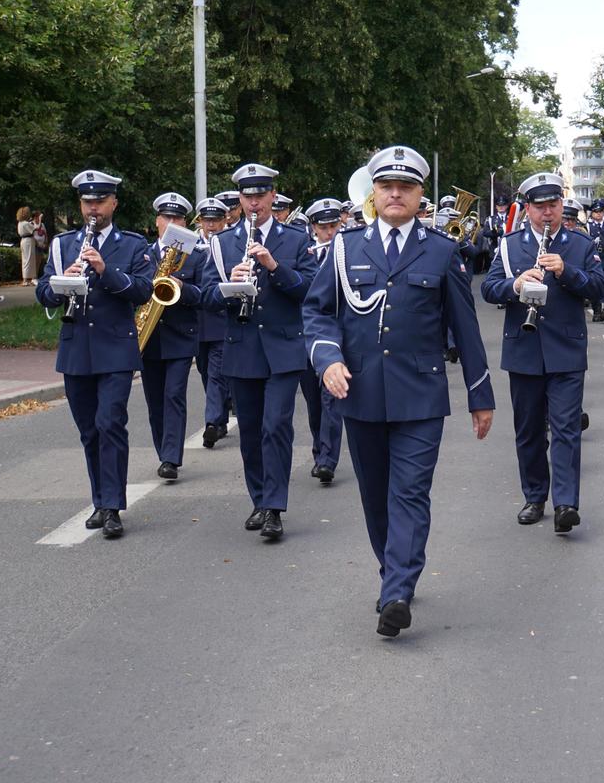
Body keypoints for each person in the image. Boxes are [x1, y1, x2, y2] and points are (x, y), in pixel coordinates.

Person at [303, 145, 495, 638]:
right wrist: (327, 360)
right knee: (375, 496)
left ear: (418, 196)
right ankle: (394, 567)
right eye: (386, 186)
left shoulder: (441, 250)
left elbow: (465, 328)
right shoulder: (345, 249)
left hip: (420, 395)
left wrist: (480, 395)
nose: (395, 193)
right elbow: (318, 312)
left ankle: (397, 592)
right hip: (360, 391)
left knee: (409, 492)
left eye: (405, 187)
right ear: (374, 192)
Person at [481, 172, 604, 534]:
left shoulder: (580, 245)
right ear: (527, 209)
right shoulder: (509, 245)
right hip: (523, 349)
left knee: (567, 428)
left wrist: (568, 272)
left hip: (566, 349)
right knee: (529, 429)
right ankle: (535, 495)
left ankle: (566, 502)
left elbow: (599, 289)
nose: (548, 214)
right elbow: (489, 288)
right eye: (540, 207)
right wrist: (515, 284)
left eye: (553, 205)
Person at [199, 163, 316, 541]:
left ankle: (275, 508)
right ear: (239, 201)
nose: (254, 203)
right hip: (242, 349)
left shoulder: (296, 239)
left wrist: (273, 266)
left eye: (260, 195)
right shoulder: (221, 242)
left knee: (275, 426)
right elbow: (204, 297)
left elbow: (310, 289)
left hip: (283, 348)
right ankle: (260, 499)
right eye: (247, 197)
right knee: (249, 432)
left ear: (272, 197)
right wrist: (226, 287)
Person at [35, 169, 153, 538]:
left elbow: (143, 291)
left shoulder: (133, 245)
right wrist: (60, 284)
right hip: (76, 350)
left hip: (116, 349)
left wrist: (105, 270)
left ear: (114, 203)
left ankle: (114, 506)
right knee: (89, 431)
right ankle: (100, 500)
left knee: (110, 423)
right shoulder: (61, 245)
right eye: (87, 202)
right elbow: (43, 293)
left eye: (100, 201)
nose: (93, 208)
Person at [139, 193, 205, 480]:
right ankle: (162, 450)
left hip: (180, 336)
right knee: (155, 400)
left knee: (174, 394)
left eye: (178, 218)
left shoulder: (196, 256)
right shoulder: (142, 253)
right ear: (157, 222)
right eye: (167, 218)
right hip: (148, 336)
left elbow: (202, 295)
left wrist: (181, 286)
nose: (172, 223)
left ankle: (170, 458)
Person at [299, 197, 346, 483]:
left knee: (331, 401)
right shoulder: (305, 254)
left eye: (334, 225)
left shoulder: (347, 252)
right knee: (313, 403)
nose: (330, 232)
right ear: (314, 227)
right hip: (305, 338)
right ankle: (320, 450)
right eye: (324, 227)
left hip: (336, 340)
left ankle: (328, 459)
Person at [194, 197, 233, 448]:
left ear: (224, 220)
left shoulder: (231, 245)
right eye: (207, 220)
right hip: (197, 323)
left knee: (217, 374)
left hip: (221, 321)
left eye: (216, 220)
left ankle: (211, 422)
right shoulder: (190, 246)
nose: (211, 225)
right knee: (205, 372)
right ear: (200, 222)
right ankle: (219, 418)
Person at [585, 198, 604, 322]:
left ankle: (603, 307)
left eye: (600, 212)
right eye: (595, 212)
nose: (598, 214)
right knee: (594, 285)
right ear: (592, 213)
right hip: (592, 261)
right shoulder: (587, 227)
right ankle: (596, 309)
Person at [17, 206, 39, 285]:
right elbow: (35, 228)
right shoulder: (26, 223)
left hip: (23, 240)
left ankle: (26, 279)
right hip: (28, 241)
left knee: (25, 259)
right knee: (30, 259)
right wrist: (39, 220)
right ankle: (31, 278)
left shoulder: (20, 223)